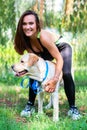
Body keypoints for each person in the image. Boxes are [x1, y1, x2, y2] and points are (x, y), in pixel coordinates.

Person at [14, 10, 81, 120]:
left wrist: (55, 79)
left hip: (62, 48)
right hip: (45, 51)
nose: (27, 27)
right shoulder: (26, 41)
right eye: (24, 24)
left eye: (31, 23)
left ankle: (73, 108)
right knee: (33, 71)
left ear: (37, 25)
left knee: (67, 73)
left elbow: (59, 59)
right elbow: (31, 66)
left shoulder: (43, 37)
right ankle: (30, 105)